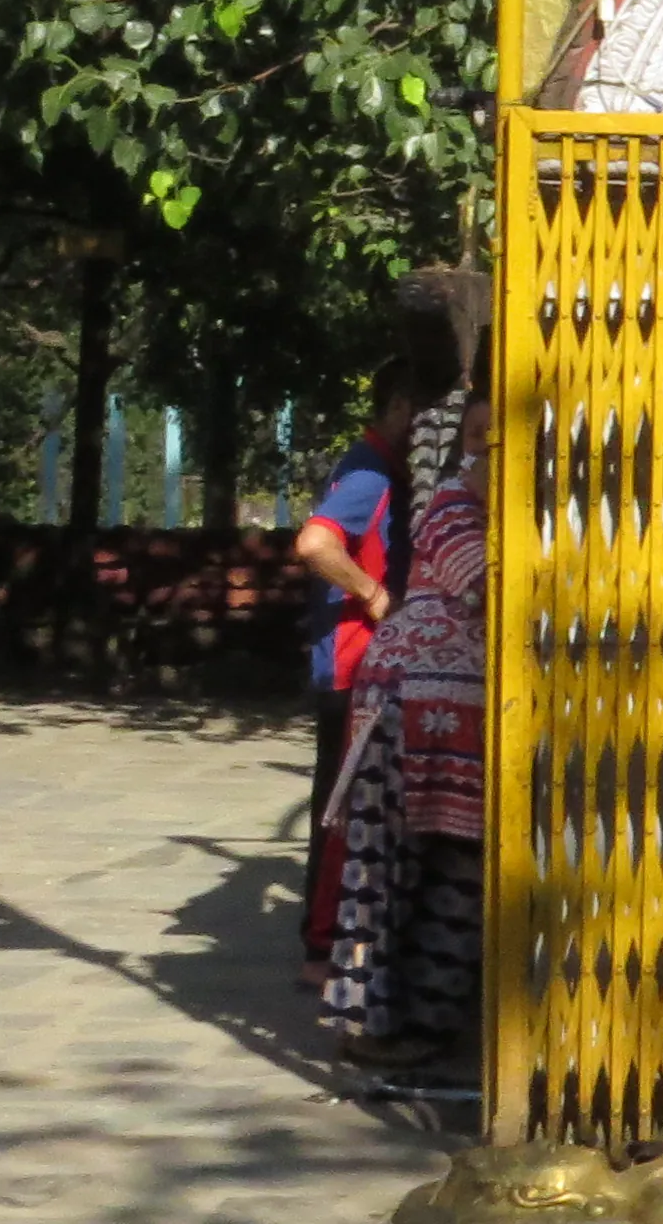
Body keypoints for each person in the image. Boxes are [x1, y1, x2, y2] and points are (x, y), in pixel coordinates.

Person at [323, 391, 488, 1066]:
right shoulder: (452, 506)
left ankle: (429, 1023)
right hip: (404, 710)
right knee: (392, 874)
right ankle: (383, 1028)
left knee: (461, 871)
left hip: (466, 722)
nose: (490, 449)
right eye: (479, 435)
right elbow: (490, 586)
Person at [293, 371, 419, 979]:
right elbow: (315, 544)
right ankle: (320, 949)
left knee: (336, 804)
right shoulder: (370, 471)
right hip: (353, 661)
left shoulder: (369, 462)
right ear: (399, 405)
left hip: (349, 662)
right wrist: (372, 594)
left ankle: (327, 945)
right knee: (341, 811)